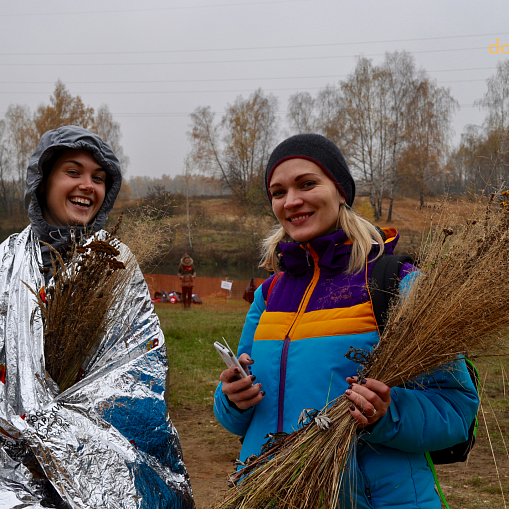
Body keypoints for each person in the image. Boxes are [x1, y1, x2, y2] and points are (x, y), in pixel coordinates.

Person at [214, 134, 479, 509]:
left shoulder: (397, 284)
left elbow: (456, 408)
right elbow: (239, 419)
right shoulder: (269, 294)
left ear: (340, 191)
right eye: (278, 192)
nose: (291, 201)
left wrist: (389, 413)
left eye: (307, 184)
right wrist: (232, 401)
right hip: (270, 495)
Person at [0, 126, 193, 508]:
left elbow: (140, 366)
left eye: (99, 178)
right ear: (43, 180)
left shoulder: (116, 265)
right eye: (73, 172)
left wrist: (57, 433)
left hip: (98, 460)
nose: (88, 185)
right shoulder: (7, 260)